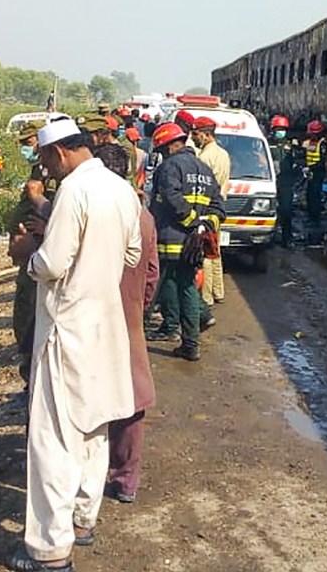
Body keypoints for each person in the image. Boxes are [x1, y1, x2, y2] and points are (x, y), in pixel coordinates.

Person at [6, 119, 142, 571]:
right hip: (106, 326)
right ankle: (83, 521)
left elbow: (53, 262)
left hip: (68, 328)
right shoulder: (121, 189)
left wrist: (30, 252)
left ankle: (49, 550)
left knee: (53, 438)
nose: (45, 170)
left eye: (45, 160)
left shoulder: (73, 191)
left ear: (59, 153)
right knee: (94, 427)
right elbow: (131, 255)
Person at [91, 144, 159, 505]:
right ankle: (125, 478)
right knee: (131, 402)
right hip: (129, 317)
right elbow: (151, 274)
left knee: (87, 396)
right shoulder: (142, 216)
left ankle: (86, 475)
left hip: (91, 318)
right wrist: (138, 308)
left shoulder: (88, 210)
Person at [145, 122, 224, 361]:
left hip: (170, 238)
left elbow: (170, 197)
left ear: (168, 146)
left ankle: (180, 335)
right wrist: (203, 225)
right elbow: (219, 208)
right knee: (184, 285)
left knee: (173, 284)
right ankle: (187, 339)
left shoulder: (170, 166)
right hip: (194, 243)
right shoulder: (204, 169)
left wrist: (191, 220)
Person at [6, 122, 55, 386]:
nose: (26, 147)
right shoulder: (39, 169)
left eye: (29, 142)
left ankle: (32, 377)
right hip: (30, 249)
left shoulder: (51, 174)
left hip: (39, 250)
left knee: (29, 314)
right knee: (24, 312)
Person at [192, 116, 230, 307]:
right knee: (215, 251)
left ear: (206, 135)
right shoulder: (224, 154)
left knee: (206, 253)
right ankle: (218, 291)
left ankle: (206, 296)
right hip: (219, 208)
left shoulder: (204, 158)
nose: (194, 138)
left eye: (196, 134)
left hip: (206, 210)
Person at [268, 116, 300, 247]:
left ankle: (287, 238)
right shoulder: (267, 143)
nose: (281, 132)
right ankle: (271, 235)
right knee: (270, 210)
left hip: (286, 181)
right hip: (272, 181)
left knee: (286, 210)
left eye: (283, 129)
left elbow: (298, 161)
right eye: (278, 129)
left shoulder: (291, 145)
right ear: (273, 130)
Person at [301, 120, 327, 235]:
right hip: (310, 172)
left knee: (315, 196)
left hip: (318, 172)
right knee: (309, 195)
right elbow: (304, 155)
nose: (311, 135)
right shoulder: (308, 142)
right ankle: (310, 217)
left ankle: (316, 220)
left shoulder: (323, 144)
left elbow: (323, 161)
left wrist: (311, 168)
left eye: (313, 133)